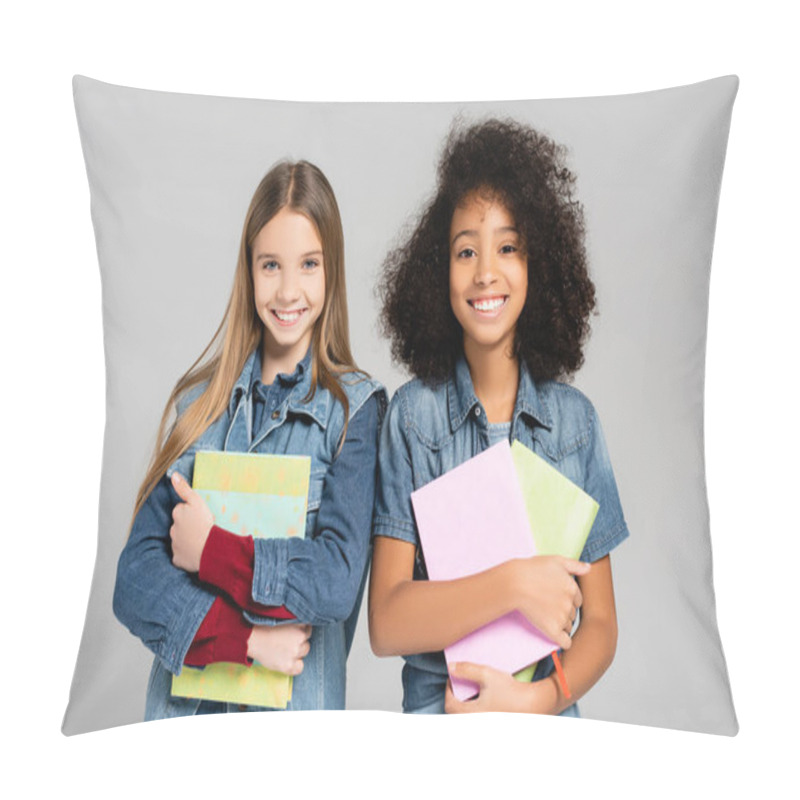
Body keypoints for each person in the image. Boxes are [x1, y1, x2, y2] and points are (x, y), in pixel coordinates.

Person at [369, 119, 629, 716]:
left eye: (507, 247)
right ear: (439, 269)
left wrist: (535, 702)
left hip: (548, 727)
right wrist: (514, 584)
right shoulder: (412, 418)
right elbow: (385, 622)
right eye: (466, 251)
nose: (486, 271)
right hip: (441, 725)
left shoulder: (576, 426)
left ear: (540, 263)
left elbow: (604, 626)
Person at [113, 160, 385, 718]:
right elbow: (134, 581)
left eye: (308, 264)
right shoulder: (198, 406)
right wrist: (249, 643)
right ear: (248, 271)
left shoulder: (355, 412)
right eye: (270, 265)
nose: (288, 290)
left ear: (331, 271)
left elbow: (334, 581)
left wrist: (212, 549)